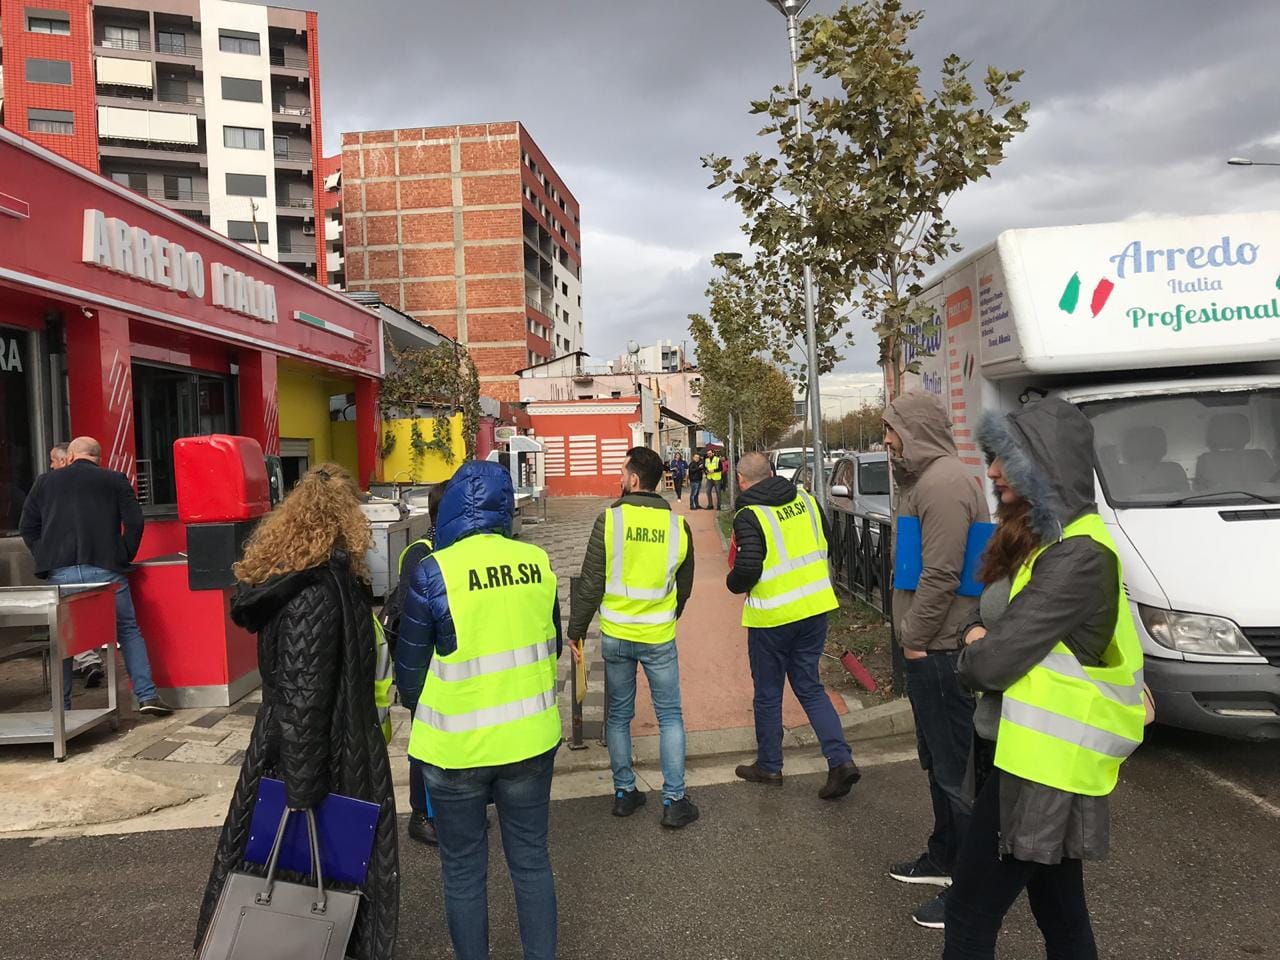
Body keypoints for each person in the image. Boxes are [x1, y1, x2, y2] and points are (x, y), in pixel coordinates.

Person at [943, 398, 1145, 959]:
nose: (992, 472)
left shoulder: (1079, 554)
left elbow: (992, 661)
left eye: (1006, 458)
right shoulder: (1053, 541)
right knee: (1058, 910)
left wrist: (974, 651)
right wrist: (976, 638)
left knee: (969, 913)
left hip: (1041, 768)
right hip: (1031, 755)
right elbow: (987, 623)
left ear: (1045, 464)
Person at [195, 464, 399, 960]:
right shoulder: (316, 593)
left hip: (319, 748)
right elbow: (305, 696)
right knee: (308, 874)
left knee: (306, 871)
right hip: (324, 756)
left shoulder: (317, 579)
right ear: (344, 518)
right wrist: (303, 790)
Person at [397, 460, 562, 960]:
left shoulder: (432, 571)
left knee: (464, 869)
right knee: (531, 861)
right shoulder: (537, 562)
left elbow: (410, 676)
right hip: (531, 741)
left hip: (456, 750)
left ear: (447, 512)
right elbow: (549, 645)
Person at [881, 391, 990, 930]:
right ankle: (944, 856)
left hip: (942, 649)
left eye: (891, 429)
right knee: (938, 762)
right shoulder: (927, 480)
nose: (885, 440)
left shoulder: (944, 484)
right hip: (932, 645)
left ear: (916, 429)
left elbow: (943, 573)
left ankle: (969, 890)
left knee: (956, 772)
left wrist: (915, 636)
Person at [568, 446, 698, 828]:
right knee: (670, 715)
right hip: (658, 636)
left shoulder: (608, 521)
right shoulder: (678, 527)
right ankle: (674, 801)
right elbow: (684, 586)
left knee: (620, 716)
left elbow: (590, 584)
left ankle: (624, 793)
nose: (620, 478)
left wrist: (575, 632)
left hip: (616, 636)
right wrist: (668, 615)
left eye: (624, 472)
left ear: (635, 480)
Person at [727, 451, 860, 800]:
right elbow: (829, 542)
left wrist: (733, 583)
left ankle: (770, 766)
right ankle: (840, 760)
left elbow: (748, 569)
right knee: (811, 687)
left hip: (772, 618)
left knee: (769, 694)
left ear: (741, 480)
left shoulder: (749, 514)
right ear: (771, 472)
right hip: (815, 609)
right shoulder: (806, 499)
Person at [18, 436, 172, 715]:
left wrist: (45, 554)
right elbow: (135, 522)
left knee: (61, 637)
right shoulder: (114, 480)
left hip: (60, 571)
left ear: (71, 455)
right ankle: (146, 695)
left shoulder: (45, 482)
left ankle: (61, 708)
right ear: (99, 458)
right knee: (127, 629)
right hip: (106, 568)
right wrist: (122, 554)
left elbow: (27, 525)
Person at [379, 480, 450, 847]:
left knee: (449, 742)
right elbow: (410, 617)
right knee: (424, 742)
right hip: (423, 668)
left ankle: (448, 812)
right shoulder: (420, 553)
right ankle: (421, 814)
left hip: (451, 669)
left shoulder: (454, 549)